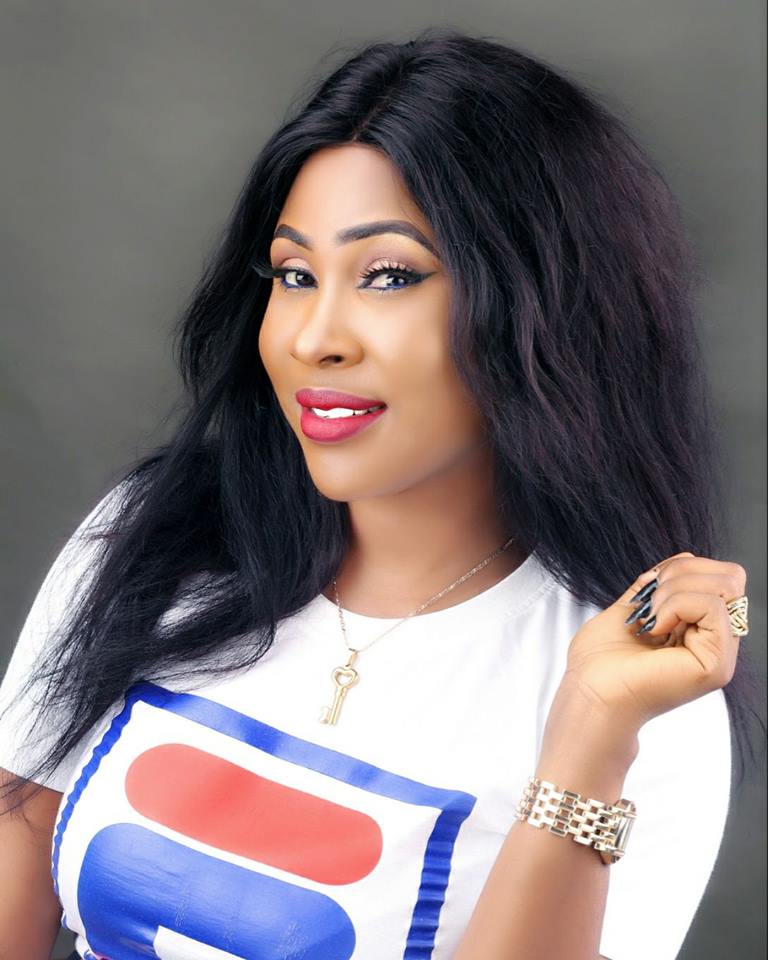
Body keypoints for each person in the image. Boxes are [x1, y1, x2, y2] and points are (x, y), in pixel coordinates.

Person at [0, 27, 761, 960]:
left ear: (542, 305)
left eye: (389, 276)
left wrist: (591, 739)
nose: (314, 337)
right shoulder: (151, 538)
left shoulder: (638, 696)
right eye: (295, 275)